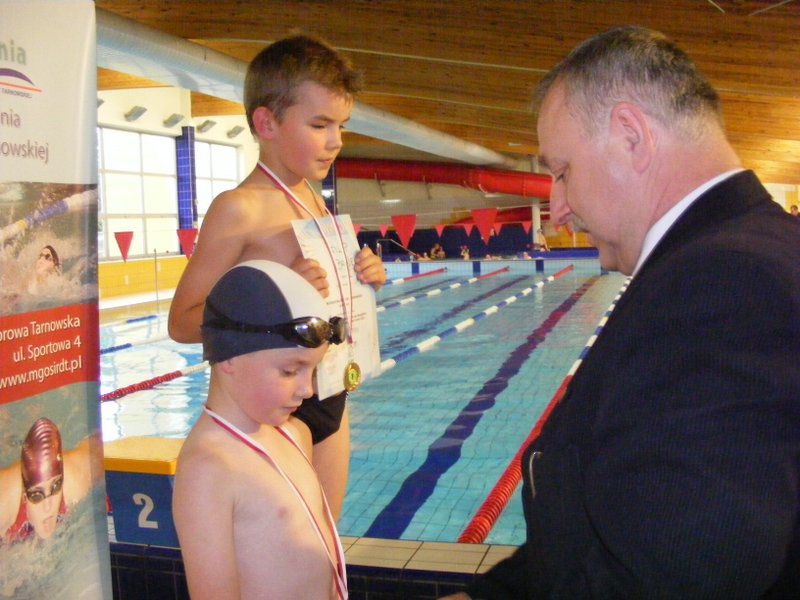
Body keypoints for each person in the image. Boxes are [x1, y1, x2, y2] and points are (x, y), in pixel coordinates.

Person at [441, 26, 800, 599]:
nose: (557, 209)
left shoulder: (723, 283)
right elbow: (613, 533)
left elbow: (680, 575)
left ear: (632, 136)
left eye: (562, 172)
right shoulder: (752, 252)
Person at [167, 34, 386, 519]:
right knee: (278, 549)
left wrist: (364, 277)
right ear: (266, 122)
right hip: (268, 410)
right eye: (319, 125)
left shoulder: (314, 200)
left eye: (341, 126)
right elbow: (181, 323)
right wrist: (276, 293)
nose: (336, 141)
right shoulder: (238, 209)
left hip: (328, 392)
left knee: (323, 544)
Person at [173, 260, 348, 600]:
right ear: (229, 357)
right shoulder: (209, 468)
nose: (307, 390)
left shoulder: (294, 434)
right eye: (290, 371)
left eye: (312, 371)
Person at [0, 418, 96, 543]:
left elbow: (102, 446)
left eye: (55, 487)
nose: (47, 507)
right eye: (36, 495)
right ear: (24, 495)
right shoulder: (4, 505)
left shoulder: (76, 479)